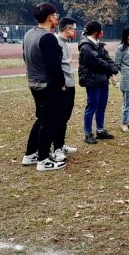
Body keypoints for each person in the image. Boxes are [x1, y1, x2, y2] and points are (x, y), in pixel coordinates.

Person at [21, 3, 68, 172]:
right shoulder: (47, 38)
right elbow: (54, 65)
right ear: (49, 17)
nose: (57, 18)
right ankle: (43, 159)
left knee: (41, 119)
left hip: (33, 82)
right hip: (47, 85)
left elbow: (25, 57)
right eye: (55, 15)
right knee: (48, 122)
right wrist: (61, 84)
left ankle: (30, 154)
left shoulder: (29, 34)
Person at [78, 21, 119, 144]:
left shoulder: (99, 44)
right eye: (101, 30)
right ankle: (88, 133)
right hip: (92, 80)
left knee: (101, 106)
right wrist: (108, 66)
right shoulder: (86, 46)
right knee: (91, 107)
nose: (102, 32)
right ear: (95, 32)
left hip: (102, 80)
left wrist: (113, 70)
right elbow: (96, 62)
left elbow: (107, 59)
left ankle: (100, 130)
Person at [55, 17, 79, 157]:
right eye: (73, 29)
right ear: (68, 29)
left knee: (65, 116)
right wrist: (61, 84)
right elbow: (56, 66)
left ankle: (61, 144)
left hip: (70, 84)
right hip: (63, 86)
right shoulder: (56, 43)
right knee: (60, 116)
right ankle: (57, 148)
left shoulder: (65, 43)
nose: (75, 32)